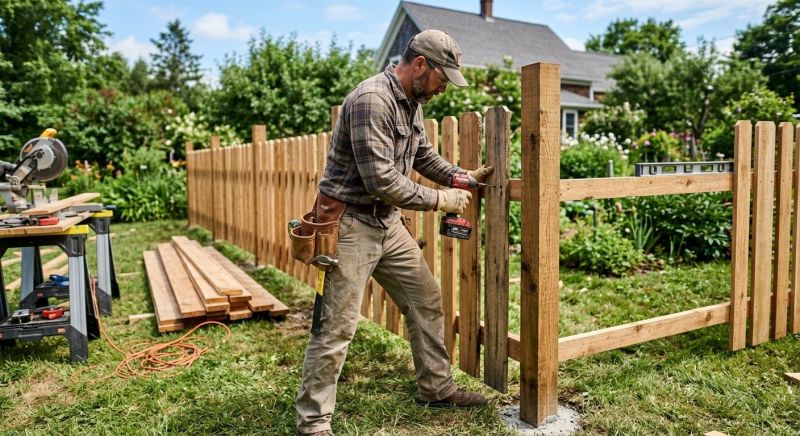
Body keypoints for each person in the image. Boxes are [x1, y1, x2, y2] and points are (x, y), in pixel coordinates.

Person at [295, 29, 493, 436]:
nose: (443, 89)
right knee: (336, 325)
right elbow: (381, 180)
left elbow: (422, 156)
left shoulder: (411, 103)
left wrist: (461, 178)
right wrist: (441, 201)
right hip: (348, 224)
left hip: (386, 221)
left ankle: (436, 388)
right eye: (442, 79)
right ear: (420, 64)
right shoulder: (372, 100)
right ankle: (313, 422)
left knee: (426, 299)